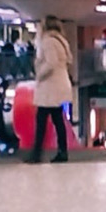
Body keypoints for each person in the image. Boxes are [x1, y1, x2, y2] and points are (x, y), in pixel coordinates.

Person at [26, 16, 73, 164]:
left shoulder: (48, 41)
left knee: (41, 120)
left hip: (50, 86)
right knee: (57, 119)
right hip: (59, 83)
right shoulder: (60, 40)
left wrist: (39, 74)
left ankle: (37, 153)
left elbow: (50, 63)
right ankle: (62, 151)